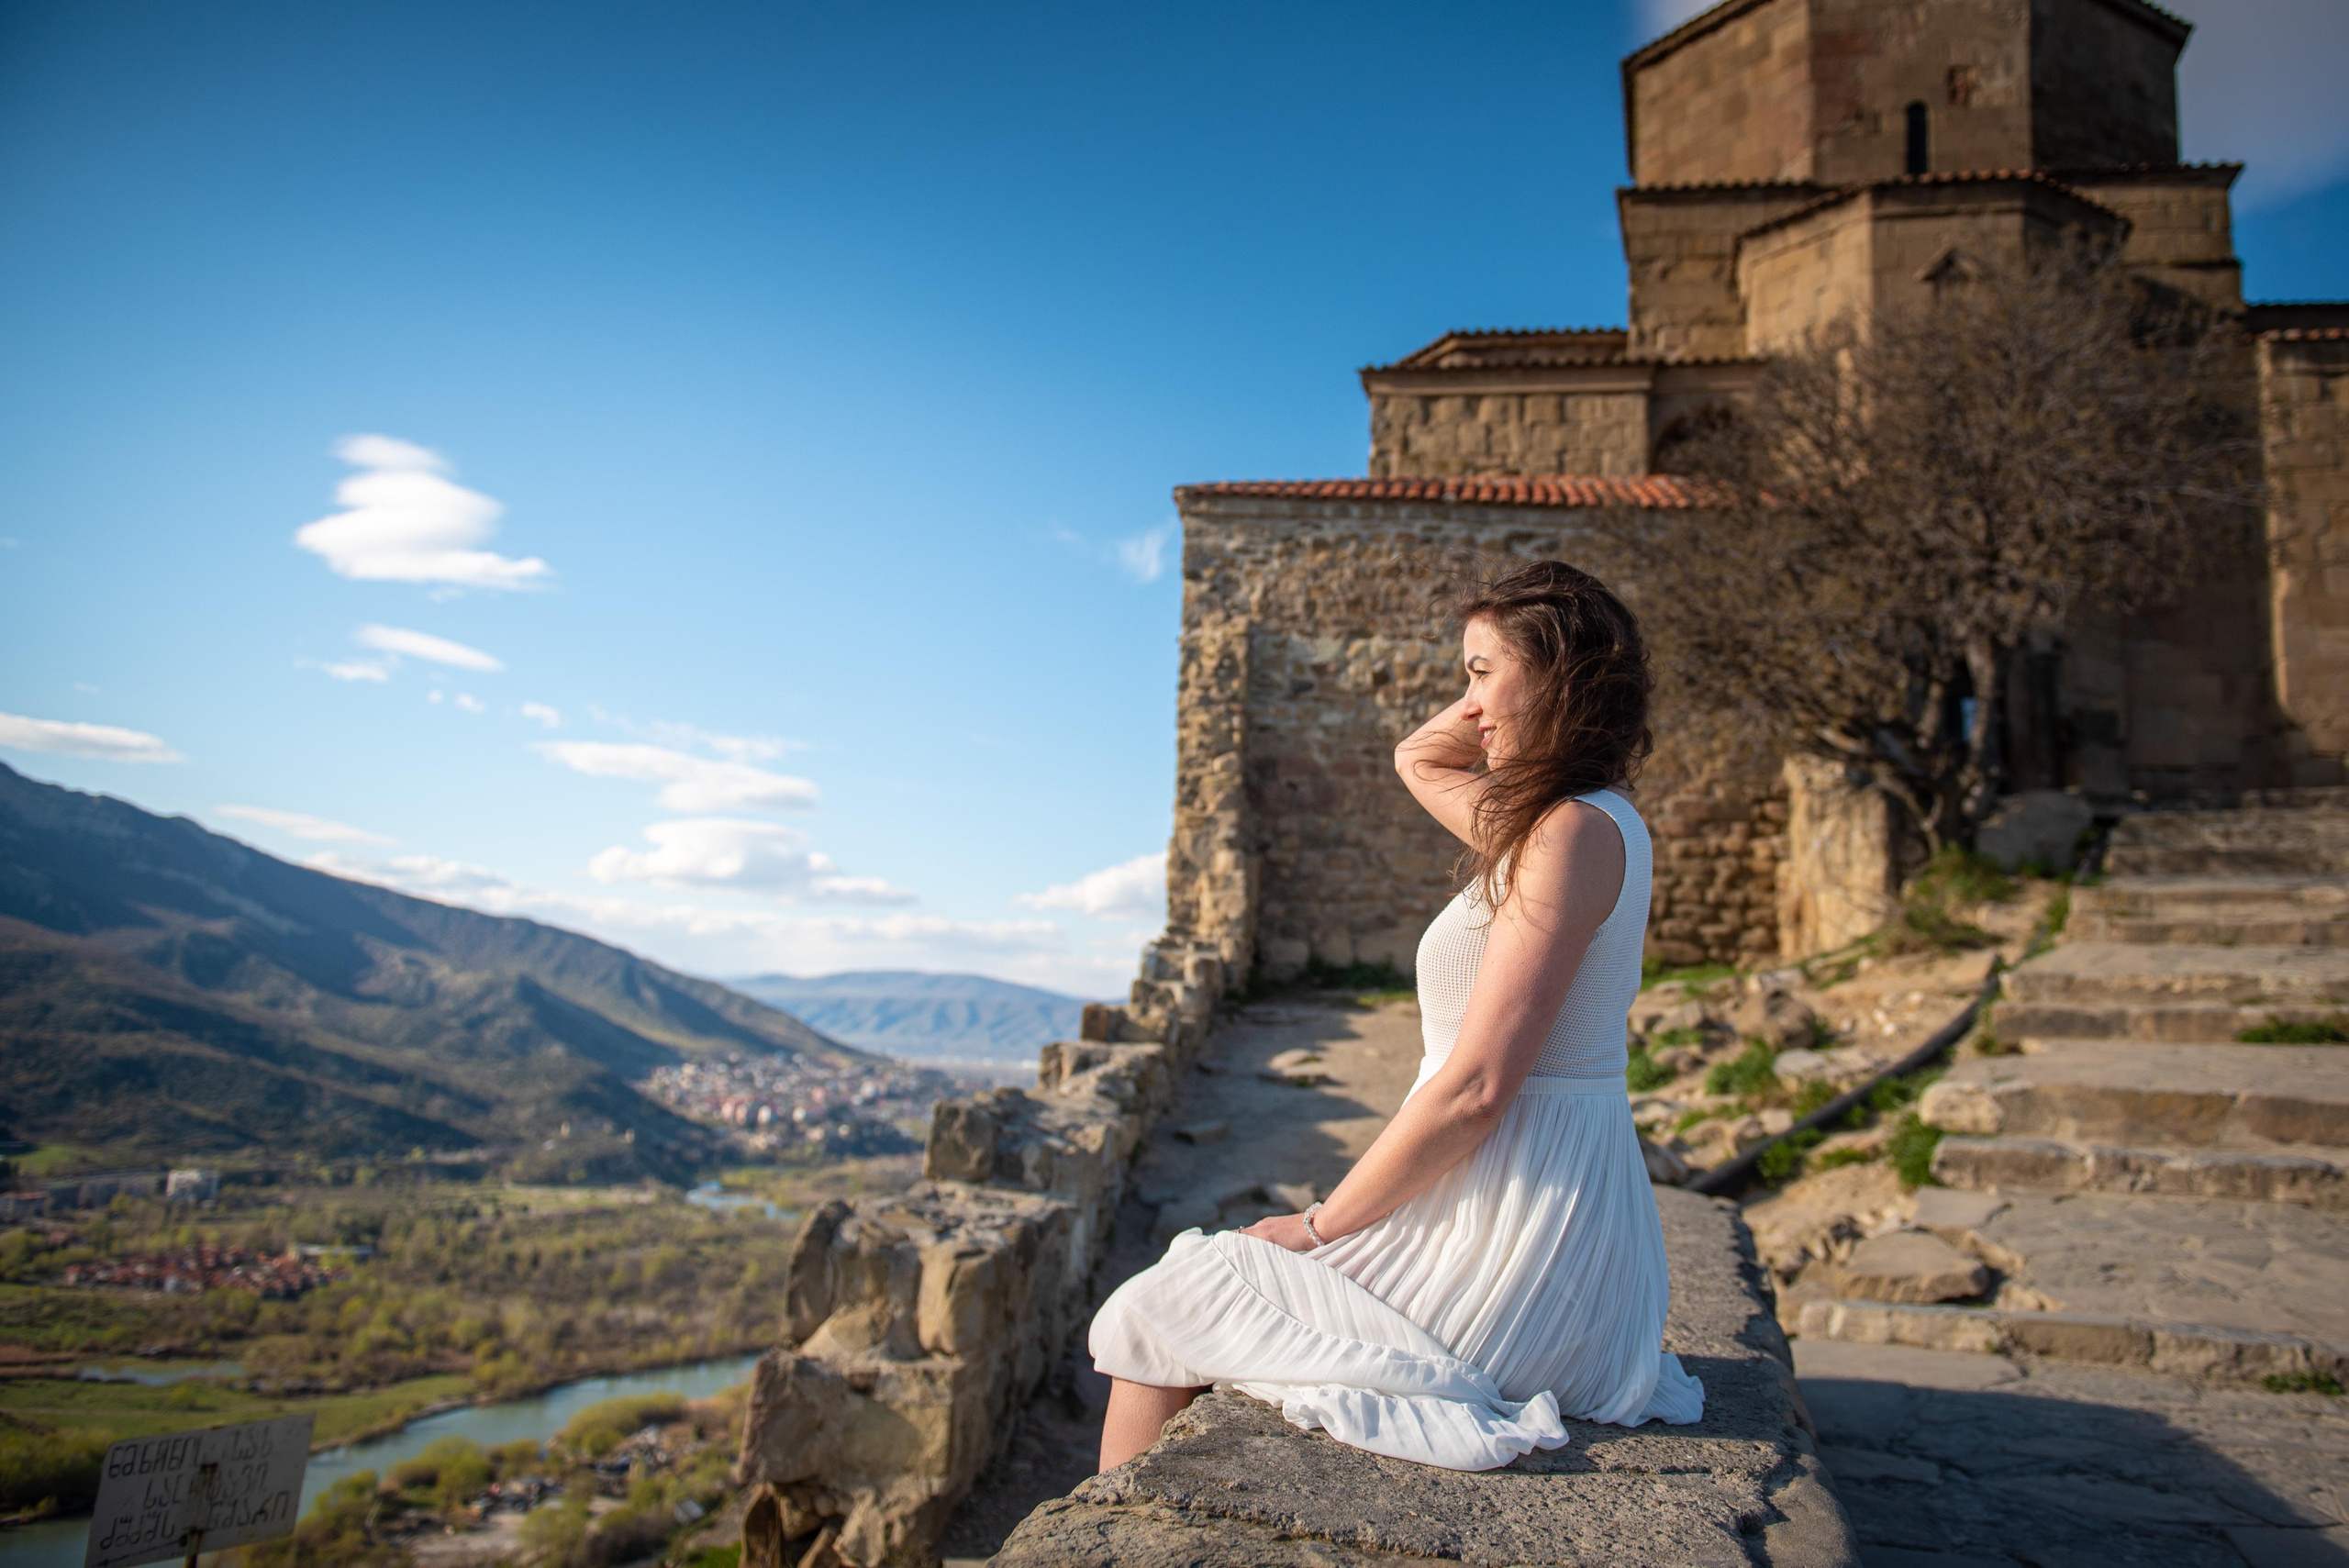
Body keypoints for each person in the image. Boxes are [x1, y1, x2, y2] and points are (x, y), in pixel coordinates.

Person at [1087, 560, 1704, 1473]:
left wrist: (1318, 1223)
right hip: (1530, 1215)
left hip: (1526, 1240)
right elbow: (1422, 759)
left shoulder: (1568, 832)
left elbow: (1478, 1087)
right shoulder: (1576, 824)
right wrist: (1458, 720)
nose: (1470, 700)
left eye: (1481, 669)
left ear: (1561, 676)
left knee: (1164, 1304)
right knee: (1195, 1301)